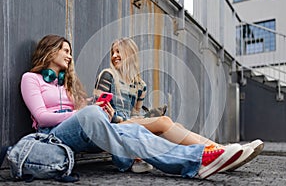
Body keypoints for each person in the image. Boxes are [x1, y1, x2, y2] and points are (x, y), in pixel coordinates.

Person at [20, 34, 244, 180]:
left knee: (134, 129)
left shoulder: (68, 83)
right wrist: (80, 113)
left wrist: (93, 106)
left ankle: (198, 159)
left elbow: (84, 113)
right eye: (65, 51)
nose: (70, 56)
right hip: (51, 136)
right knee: (97, 116)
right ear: (50, 51)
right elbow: (41, 117)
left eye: (70, 51)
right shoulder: (31, 78)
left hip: (83, 134)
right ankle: (127, 157)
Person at [94, 37, 264, 172]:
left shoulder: (140, 85)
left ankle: (223, 152)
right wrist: (117, 117)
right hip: (114, 127)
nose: (114, 56)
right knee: (164, 121)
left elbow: (135, 115)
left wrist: (148, 119)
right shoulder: (108, 75)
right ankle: (216, 151)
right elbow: (97, 112)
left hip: (129, 125)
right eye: (113, 52)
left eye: (119, 51)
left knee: (175, 125)